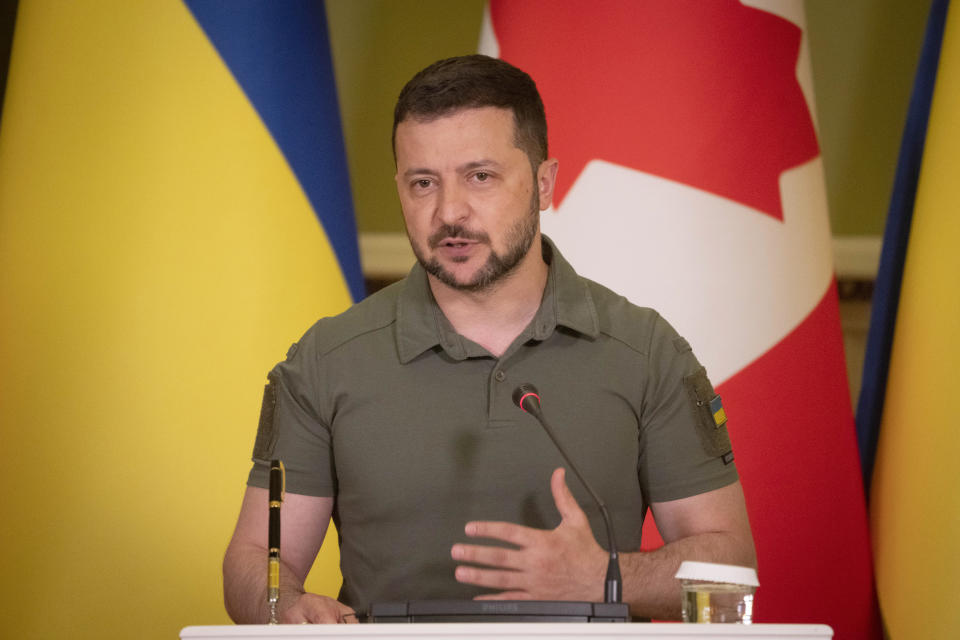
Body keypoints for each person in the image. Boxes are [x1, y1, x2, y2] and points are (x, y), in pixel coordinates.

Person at [223, 54, 756, 625]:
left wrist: (606, 578)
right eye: (422, 183)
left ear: (544, 183)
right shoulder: (325, 361)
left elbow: (731, 575)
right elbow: (256, 561)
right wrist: (283, 608)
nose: (449, 212)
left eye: (481, 176)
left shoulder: (647, 351)